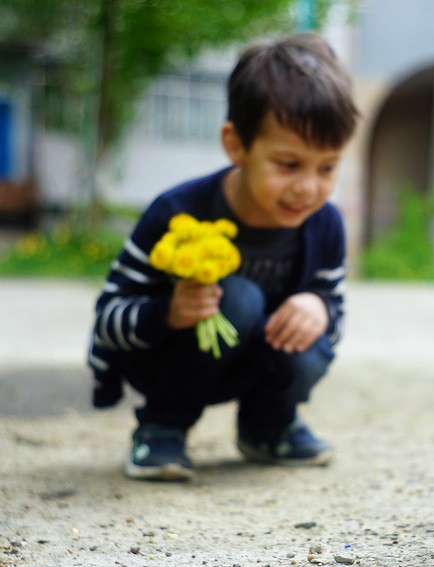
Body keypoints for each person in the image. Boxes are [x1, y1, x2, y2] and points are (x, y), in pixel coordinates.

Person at [88, 33, 359, 481]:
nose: (308, 188)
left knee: (311, 339)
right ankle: (162, 428)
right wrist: (168, 312)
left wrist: (319, 309)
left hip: (256, 363)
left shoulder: (325, 223)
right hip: (168, 360)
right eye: (288, 165)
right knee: (237, 298)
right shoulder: (176, 212)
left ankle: (267, 426)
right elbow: (107, 319)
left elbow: (336, 319)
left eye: (327, 167)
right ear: (236, 145)